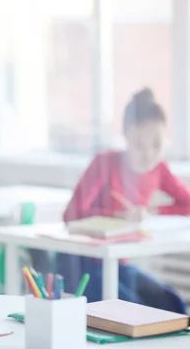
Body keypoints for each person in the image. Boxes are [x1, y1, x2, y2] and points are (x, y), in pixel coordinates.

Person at [58, 87, 190, 314]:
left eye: (157, 144)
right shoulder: (105, 163)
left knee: (172, 305)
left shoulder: (159, 170)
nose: (148, 154)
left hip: (119, 264)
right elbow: (71, 214)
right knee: (134, 312)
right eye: (139, 145)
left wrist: (152, 210)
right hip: (84, 265)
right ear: (126, 136)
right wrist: (116, 216)